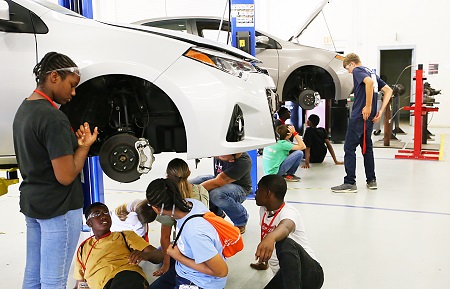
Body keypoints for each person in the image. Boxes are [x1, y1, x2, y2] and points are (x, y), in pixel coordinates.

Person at [12, 51, 99, 289]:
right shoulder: (53, 118)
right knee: (54, 281)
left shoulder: (25, 109)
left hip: (34, 203)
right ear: (53, 77)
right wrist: (83, 147)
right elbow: (66, 176)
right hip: (58, 209)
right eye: (71, 86)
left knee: (33, 276)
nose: (73, 93)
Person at [146, 178, 228, 289]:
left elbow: (221, 271)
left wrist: (178, 256)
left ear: (156, 209)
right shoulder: (192, 204)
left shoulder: (194, 233)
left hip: (200, 282)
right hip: (183, 270)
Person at [331, 53, 393, 193]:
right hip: (369, 117)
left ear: (352, 63)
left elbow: (369, 84)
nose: (348, 71)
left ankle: (350, 182)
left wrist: (368, 105)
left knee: (349, 148)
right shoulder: (370, 72)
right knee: (366, 147)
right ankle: (371, 180)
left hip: (360, 115)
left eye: (348, 68)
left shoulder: (358, 70)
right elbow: (389, 90)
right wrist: (380, 111)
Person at [252, 174, 324, 289]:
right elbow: (266, 234)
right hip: (286, 277)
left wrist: (271, 237)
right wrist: (264, 261)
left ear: (267, 193)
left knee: (285, 243)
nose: (255, 193)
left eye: (258, 189)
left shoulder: (290, 212)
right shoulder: (264, 210)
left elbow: (285, 227)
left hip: (310, 274)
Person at [73, 202, 163, 289]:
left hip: (126, 277)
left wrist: (145, 255)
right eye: (97, 214)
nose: (104, 216)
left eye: (106, 212)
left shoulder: (125, 235)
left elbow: (159, 256)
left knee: (126, 277)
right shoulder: (82, 249)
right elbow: (80, 283)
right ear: (89, 223)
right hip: (103, 285)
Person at [152, 158, 210, 277]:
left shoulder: (170, 200)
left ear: (167, 176)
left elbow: (165, 237)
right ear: (189, 173)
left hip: (185, 249)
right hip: (206, 244)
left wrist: (166, 265)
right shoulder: (201, 190)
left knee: (159, 252)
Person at [190, 153, 252, 234]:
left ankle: (241, 220)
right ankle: (217, 214)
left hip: (240, 189)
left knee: (216, 194)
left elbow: (217, 183)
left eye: (231, 159)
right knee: (191, 182)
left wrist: (193, 192)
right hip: (219, 178)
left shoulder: (243, 162)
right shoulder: (220, 150)